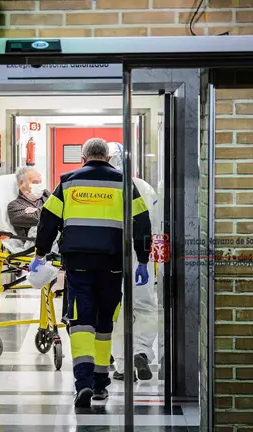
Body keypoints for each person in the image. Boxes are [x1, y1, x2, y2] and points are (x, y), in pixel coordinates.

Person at [30, 138, 152, 408]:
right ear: (107, 158)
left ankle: (83, 383)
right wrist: (143, 259)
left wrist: (40, 254)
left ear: (83, 158)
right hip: (113, 264)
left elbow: (47, 221)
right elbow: (142, 221)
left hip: (79, 264)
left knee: (82, 321)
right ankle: (100, 385)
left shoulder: (69, 182)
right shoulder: (123, 183)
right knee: (104, 322)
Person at [107, 142, 165, 382]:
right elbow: (157, 225)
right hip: (142, 255)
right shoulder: (144, 187)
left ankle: (121, 364)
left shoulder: (103, 187)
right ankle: (140, 350)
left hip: (111, 255)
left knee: (116, 310)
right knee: (144, 306)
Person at [7, 167, 49, 238]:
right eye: (35, 182)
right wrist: (44, 210)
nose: (39, 185)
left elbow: (63, 207)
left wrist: (38, 210)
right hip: (40, 245)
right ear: (21, 184)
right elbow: (38, 218)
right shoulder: (14, 206)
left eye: (40, 182)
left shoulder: (46, 195)